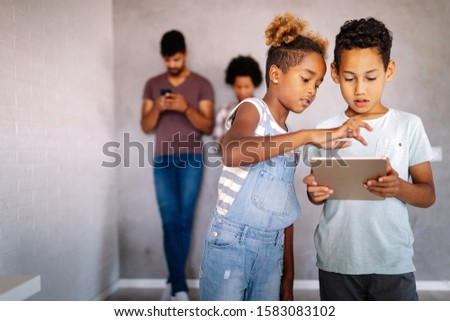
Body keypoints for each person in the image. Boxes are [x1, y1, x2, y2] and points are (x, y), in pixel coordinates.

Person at [199, 12, 372, 301]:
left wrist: (287, 278)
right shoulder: (251, 109)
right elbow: (231, 152)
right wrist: (306, 136)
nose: (312, 90)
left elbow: (282, 208)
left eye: (317, 84)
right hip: (231, 244)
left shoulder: (287, 136)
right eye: (306, 79)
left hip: (272, 251)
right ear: (276, 74)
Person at [303, 17, 436, 301]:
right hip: (336, 261)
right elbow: (318, 193)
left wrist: (399, 187)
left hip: (391, 262)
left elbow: (427, 194)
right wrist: (314, 193)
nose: (360, 89)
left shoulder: (408, 125)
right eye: (350, 78)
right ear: (335, 73)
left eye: (371, 77)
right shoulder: (324, 130)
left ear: (390, 70)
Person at [140, 30, 215, 301]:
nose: (172, 64)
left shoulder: (202, 84)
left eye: (176, 58)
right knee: (169, 221)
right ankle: (179, 284)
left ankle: (175, 283)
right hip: (162, 159)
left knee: (184, 221)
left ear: (185, 54)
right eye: (167, 60)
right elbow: (145, 126)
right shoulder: (152, 84)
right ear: (163, 59)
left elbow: (207, 126)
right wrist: (158, 108)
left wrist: (185, 107)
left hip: (192, 159)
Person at [212, 55, 263, 145]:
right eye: (238, 87)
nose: (242, 91)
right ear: (233, 85)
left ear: (254, 84)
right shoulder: (224, 111)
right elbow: (217, 144)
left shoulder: (264, 110)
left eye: (246, 87)